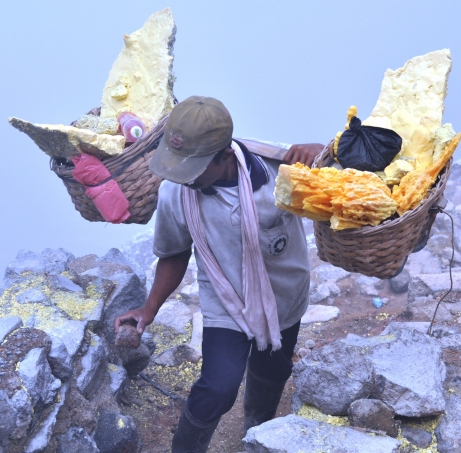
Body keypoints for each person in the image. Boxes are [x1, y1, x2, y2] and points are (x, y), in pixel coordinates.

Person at [114, 96, 324, 453]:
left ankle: (257, 432)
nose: (182, 176)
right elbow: (175, 253)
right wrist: (149, 309)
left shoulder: (281, 170)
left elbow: (346, 179)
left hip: (284, 296)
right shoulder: (176, 192)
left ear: (225, 157)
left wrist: (325, 154)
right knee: (217, 387)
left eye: (192, 167)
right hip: (225, 300)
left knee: (272, 371)